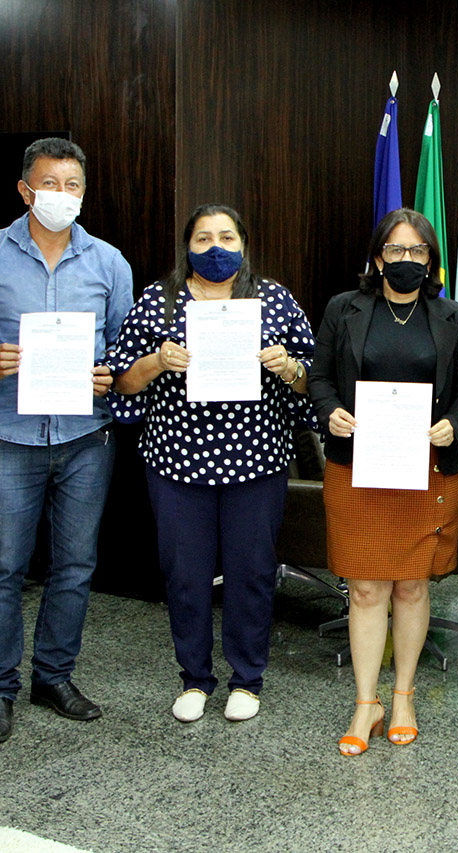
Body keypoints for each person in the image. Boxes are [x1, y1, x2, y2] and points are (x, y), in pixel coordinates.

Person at [0, 137, 133, 744]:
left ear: (84, 193)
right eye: (50, 184)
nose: (62, 195)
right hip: (9, 435)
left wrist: (110, 374)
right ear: (25, 190)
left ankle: (53, 677)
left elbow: (122, 348)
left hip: (85, 435)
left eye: (72, 186)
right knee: (3, 566)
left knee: (75, 565)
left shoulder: (109, 263)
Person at [110, 204, 314, 723]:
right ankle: (194, 678)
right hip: (177, 462)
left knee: (252, 572)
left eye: (226, 237)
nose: (215, 248)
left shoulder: (274, 299)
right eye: (203, 239)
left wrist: (289, 367)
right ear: (187, 247)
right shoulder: (158, 300)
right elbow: (121, 381)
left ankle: (247, 680)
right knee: (186, 575)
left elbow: (314, 380)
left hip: (257, 461)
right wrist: (158, 361)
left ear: (244, 244)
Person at [309, 207, 458, 755]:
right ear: (378, 257)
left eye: (418, 251)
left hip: (425, 468)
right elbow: (318, 378)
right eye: (396, 250)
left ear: (431, 260)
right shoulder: (344, 308)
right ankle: (367, 703)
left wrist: (454, 424)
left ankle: (403, 695)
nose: (407, 259)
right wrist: (330, 412)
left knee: (410, 586)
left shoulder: (451, 316)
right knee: (364, 588)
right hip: (358, 467)